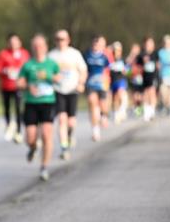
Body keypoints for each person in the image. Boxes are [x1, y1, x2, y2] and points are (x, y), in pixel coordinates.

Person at [17, 34, 61, 181]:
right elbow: (19, 82)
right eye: (35, 46)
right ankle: (33, 148)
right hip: (31, 103)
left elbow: (59, 78)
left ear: (45, 47)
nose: (38, 48)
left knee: (47, 135)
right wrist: (28, 86)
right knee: (30, 137)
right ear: (32, 48)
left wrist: (48, 76)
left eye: (40, 46)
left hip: (48, 102)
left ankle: (44, 166)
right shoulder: (27, 65)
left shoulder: (51, 64)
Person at [49, 29, 87, 160]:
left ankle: (70, 136)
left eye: (63, 39)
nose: (60, 42)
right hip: (58, 90)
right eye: (58, 39)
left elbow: (83, 70)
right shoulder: (51, 56)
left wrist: (81, 83)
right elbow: (47, 73)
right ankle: (64, 148)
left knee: (71, 123)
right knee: (61, 119)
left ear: (68, 40)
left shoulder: (74, 54)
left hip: (72, 90)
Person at [0, 33, 30, 144]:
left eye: (15, 42)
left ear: (20, 42)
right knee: (6, 108)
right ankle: (8, 125)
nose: (13, 44)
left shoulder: (24, 54)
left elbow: (29, 67)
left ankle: (18, 131)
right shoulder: (3, 54)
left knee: (18, 108)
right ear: (8, 43)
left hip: (18, 86)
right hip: (6, 85)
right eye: (11, 42)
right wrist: (4, 70)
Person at [84, 35, 111, 142]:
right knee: (93, 103)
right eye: (94, 44)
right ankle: (95, 131)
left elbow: (107, 70)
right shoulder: (87, 55)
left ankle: (104, 116)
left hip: (102, 84)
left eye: (98, 44)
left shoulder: (104, 57)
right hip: (91, 84)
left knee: (103, 105)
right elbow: (84, 69)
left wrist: (107, 81)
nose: (96, 46)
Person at [134, 37, 159, 121]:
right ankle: (146, 111)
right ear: (144, 45)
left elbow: (158, 64)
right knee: (145, 94)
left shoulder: (156, 53)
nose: (149, 45)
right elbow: (137, 66)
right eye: (147, 44)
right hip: (144, 76)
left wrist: (157, 65)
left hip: (153, 76)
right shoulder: (141, 55)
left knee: (152, 91)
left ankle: (152, 111)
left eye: (151, 43)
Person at [108, 41, 129, 124]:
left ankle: (122, 110)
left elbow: (128, 70)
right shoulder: (109, 60)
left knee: (120, 93)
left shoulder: (123, 60)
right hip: (113, 81)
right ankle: (116, 114)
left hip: (121, 80)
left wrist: (126, 71)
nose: (116, 52)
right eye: (115, 50)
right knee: (115, 98)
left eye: (118, 50)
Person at [157, 34, 170, 116]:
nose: (167, 44)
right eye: (166, 43)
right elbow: (160, 62)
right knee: (164, 92)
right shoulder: (161, 52)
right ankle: (165, 105)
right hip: (164, 75)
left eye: (169, 43)